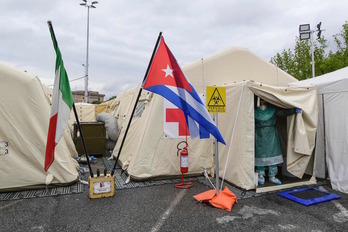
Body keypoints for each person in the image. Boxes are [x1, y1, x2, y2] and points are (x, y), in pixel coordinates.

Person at [255, 98, 301, 185]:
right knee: (260, 155)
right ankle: (260, 175)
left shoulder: (273, 110)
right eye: (261, 100)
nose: (262, 102)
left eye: (264, 100)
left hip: (272, 135)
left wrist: (294, 110)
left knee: (273, 154)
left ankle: (272, 176)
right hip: (259, 135)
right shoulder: (254, 111)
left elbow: (283, 112)